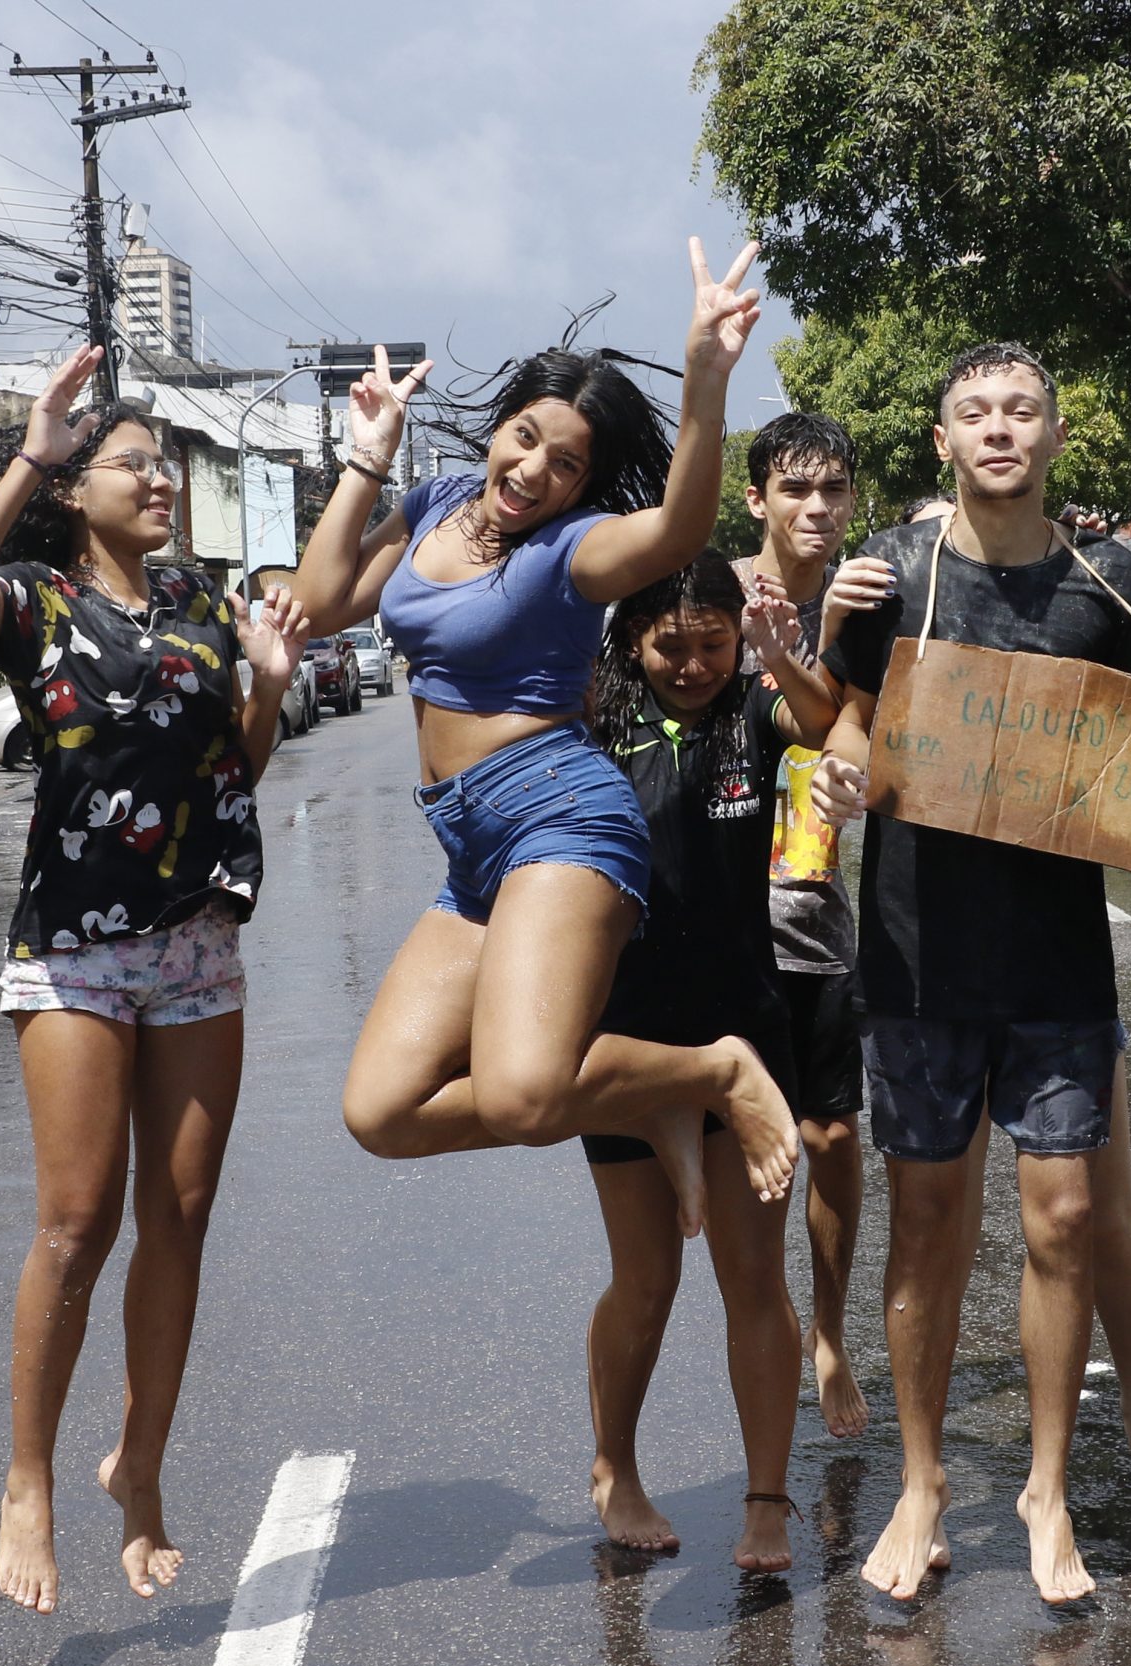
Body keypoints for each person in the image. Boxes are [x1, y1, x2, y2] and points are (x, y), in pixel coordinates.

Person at [0, 344, 310, 1615]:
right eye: (137, 464)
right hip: (76, 944)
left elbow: (229, 773)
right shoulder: (33, 601)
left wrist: (271, 688)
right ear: (77, 491)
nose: (162, 483)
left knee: (179, 1215)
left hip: (198, 943)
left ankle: (139, 1466)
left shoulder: (198, 600)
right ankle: (27, 1477)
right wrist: (31, 444)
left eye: (166, 467)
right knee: (78, 1220)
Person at [292, 240, 797, 1234]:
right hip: (471, 844)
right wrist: (370, 453)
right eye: (525, 438)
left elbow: (679, 531)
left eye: (566, 462)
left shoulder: (571, 553)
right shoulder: (432, 505)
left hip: (560, 818)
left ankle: (711, 1069)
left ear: (583, 483)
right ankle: (644, 1093)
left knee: (525, 1096)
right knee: (382, 1110)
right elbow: (315, 603)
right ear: (499, 426)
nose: (534, 469)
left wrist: (705, 380)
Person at [810, 341, 1131, 1604]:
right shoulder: (889, 573)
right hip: (914, 958)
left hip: (1060, 960)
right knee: (931, 1224)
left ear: (1057, 434)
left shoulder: (1104, 581)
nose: (999, 428)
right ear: (942, 439)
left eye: (1021, 410)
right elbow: (838, 712)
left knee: (1062, 1217)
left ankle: (1047, 1488)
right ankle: (920, 1479)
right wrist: (845, 762)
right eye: (975, 412)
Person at [575, 554, 836, 1569]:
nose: (692, 663)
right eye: (669, 645)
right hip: (626, 1038)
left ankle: (767, 1495)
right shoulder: (601, 713)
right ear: (631, 644)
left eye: (712, 643)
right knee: (644, 1278)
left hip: (744, 1027)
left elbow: (829, 731)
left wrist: (778, 654)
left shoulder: (754, 706)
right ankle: (614, 1463)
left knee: (752, 1277)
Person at [730, 413, 884, 1438]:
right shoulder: (709, 593)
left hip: (819, 909)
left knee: (831, 1133)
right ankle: (771, 1318)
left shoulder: (863, 598)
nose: (815, 508)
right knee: (752, 1145)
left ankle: (828, 1329)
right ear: (758, 499)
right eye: (794, 488)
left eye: (832, 489)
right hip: (722, 912)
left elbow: (843, 729)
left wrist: (802, 651)